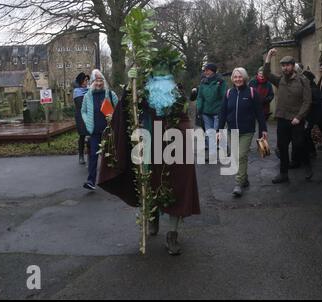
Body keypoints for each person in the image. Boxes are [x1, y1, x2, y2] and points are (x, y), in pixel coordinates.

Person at [97, 49, 201, 255]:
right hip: (148, 146)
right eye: (157, 69)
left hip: (175, 148)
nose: (161, 73)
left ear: (171, 71)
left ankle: (172, 234)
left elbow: (185, 121)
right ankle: (152, 218)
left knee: (177, 187)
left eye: (165, 68)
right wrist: (129, 86)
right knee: (147, 183)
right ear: (151, 71)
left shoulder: (178, 92)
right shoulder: (141, 91)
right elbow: (127, 111)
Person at [264, 48, 312, 184]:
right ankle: (283, 174)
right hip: (282, 118)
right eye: (283, 66)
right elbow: (266, 74)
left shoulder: (303, 81)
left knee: (299, 144)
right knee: (282, 146)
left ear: (293, 66)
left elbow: (307, 101)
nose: (285, 68)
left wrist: (299, 116)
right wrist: (268, 57)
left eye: (287, 65)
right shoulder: (280, 80)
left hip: (297, 119)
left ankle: (307, 165)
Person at [218, 67, 268, 197]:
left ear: (244, 78)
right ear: (232, 79)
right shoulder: (229, 93)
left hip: (247, 131)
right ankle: (244, 179)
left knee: (241, 156)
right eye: (235, 77)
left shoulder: (252, 92)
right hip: (232, 131)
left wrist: (263, 129)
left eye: (240, 77)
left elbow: (259, 112)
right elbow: (223, 113)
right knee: (236, 157)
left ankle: (238, 183)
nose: (237, 79)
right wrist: (219, 130)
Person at [81, 69, 118, 191]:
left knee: (110, 156)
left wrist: (113, 117)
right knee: (93, 157)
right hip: (94, 132)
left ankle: (112, 180)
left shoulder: (110, 94)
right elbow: (83, 111)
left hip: (108, 131)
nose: (99, 83)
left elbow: (118, 109)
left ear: (104, 81)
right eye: (96, 80)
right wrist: (87, 122)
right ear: (92, 82)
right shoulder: (88, 96)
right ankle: (91, 181)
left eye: (101, 80)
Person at [196, 63, 227, 159]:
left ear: (213, 71)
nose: (205, 72)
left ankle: (225, 147)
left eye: (207, 70)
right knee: (210, 134)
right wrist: (199, 109)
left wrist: (223, 110)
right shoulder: (203, 82)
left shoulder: (221, 82)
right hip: (206, 112)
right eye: (204, 70)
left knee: (216, 132)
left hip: (217, 112)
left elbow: (224, 97)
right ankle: (212, 154)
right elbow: (200, 97)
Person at [73, 73, 90, 165]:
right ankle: (81, 156)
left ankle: (91, 154)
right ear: (80, 81)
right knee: (82, 135)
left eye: (87, 80)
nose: (86, 82)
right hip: (80, 115)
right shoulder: (77, 91)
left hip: (90, 114)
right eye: (85, 80)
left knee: (91, 135)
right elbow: (80, 104)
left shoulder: (89, 90)